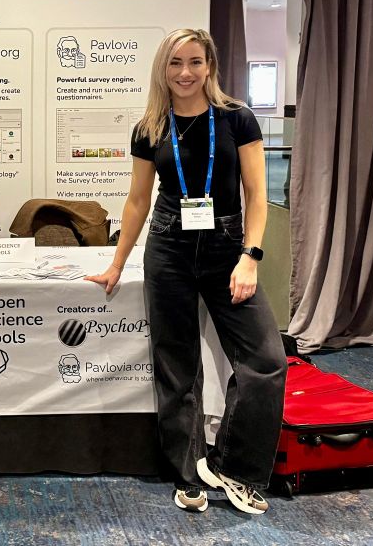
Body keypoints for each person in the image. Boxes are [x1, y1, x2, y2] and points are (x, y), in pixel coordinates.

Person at [86, 28, 286, 515]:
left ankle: (235, 468)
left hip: (225, 248)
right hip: (169, 247)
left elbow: (257, 197)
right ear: (163, 68)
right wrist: (117, 262)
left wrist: (250, 256)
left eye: (195, 62)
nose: (185, 73)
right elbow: (137, 202)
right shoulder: (150, 126)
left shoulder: (237, 119)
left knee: (265, 360)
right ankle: (186, 470)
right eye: (175, 63)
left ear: (210, 65)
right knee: (177, 365)